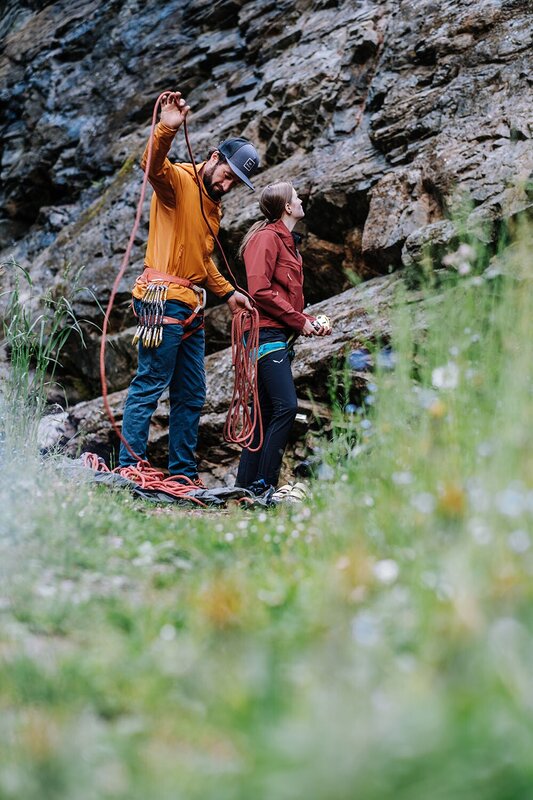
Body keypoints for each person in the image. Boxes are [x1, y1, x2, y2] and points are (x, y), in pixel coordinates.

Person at [119, 91, 259, 484]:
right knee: (150, 382)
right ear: (214, 158)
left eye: (236, 182)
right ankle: (130, 466)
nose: (227, 185)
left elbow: (201, 261)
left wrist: (229, 293)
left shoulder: (213, 206)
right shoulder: (178, 182)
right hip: (162, 300)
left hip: (190, 307)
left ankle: (182, 472)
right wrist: (166, 128)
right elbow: (152, 165)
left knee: (192, 393)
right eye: (227, 175)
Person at [235, 181, 331, 498]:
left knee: (263, 412)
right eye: (296, 197)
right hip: (265, 333)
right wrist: (299, 321)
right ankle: (264, 485)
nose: (301, 199)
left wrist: (308, 321)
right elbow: (260, 291)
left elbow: (283, 297)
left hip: (277, 332)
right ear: (287, 207)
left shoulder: (287, 242)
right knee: (286, 406)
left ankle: (244, 488)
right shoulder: (266, 238)